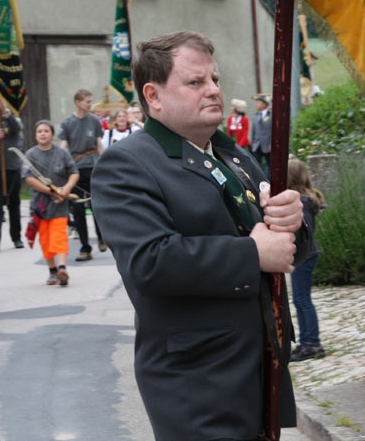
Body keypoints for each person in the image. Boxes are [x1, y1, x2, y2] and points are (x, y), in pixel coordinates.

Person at [92, 31, 311, 440]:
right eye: (195, 82)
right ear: (153, 96)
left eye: (215, 79)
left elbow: (284, 248)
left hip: (257, 368)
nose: (213, 90)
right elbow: (149, 262)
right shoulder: (127, 164)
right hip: (198, 381)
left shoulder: (232, 155)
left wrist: (294, 220)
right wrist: (252, 253)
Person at [23, 120, 79, 286]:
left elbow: (74, 173)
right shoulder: (31, 154)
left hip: (60, 204)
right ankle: (52, 270)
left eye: (46, 131)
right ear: (35, 135)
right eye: (39, 131)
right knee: (45, 239)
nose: (43, 134)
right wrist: (50, 191)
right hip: (40, 205)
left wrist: (66, 189)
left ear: (52, 134)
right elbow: (29, 178)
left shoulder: (62, 153)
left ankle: (62, 269)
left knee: (59, 235)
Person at [58, 89, 105, 260]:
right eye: (87, 101)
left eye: (91, 101)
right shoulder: (68, 123)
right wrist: (60, 163)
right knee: (78, 210)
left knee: (97, 205)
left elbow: (99, 144)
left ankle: (102, 237)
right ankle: (85, 248)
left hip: (93, 167)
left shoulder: (94, 121)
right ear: (78, 102)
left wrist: (106, 163)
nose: (90, 104)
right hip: (75, 170)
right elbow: (64, 146)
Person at [288, 157, 326, 362]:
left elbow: (304, 231)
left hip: (304, 256)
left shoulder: (301, 202)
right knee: (299, 300)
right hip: (303, 256)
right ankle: (305, 342)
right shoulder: (304, 199)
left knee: (302, 300)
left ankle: (312, 343)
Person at [0, 96, 24, 251]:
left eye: (1, 106)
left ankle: (16, 237)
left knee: (14, 204)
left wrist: (7, 113)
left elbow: (17, 129)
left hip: (12, 167)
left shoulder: (11, 120)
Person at [249, 93, 272, 172]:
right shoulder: (255, 116)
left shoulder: (271, 115)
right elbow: (253, 131)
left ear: (264, 104)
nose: (257, 104)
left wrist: (271, 143)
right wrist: (252, 144)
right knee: (256, 166)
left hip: (267, 145)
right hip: (257, 145)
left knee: (270, 165)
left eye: (259, 102)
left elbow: (272, 131)